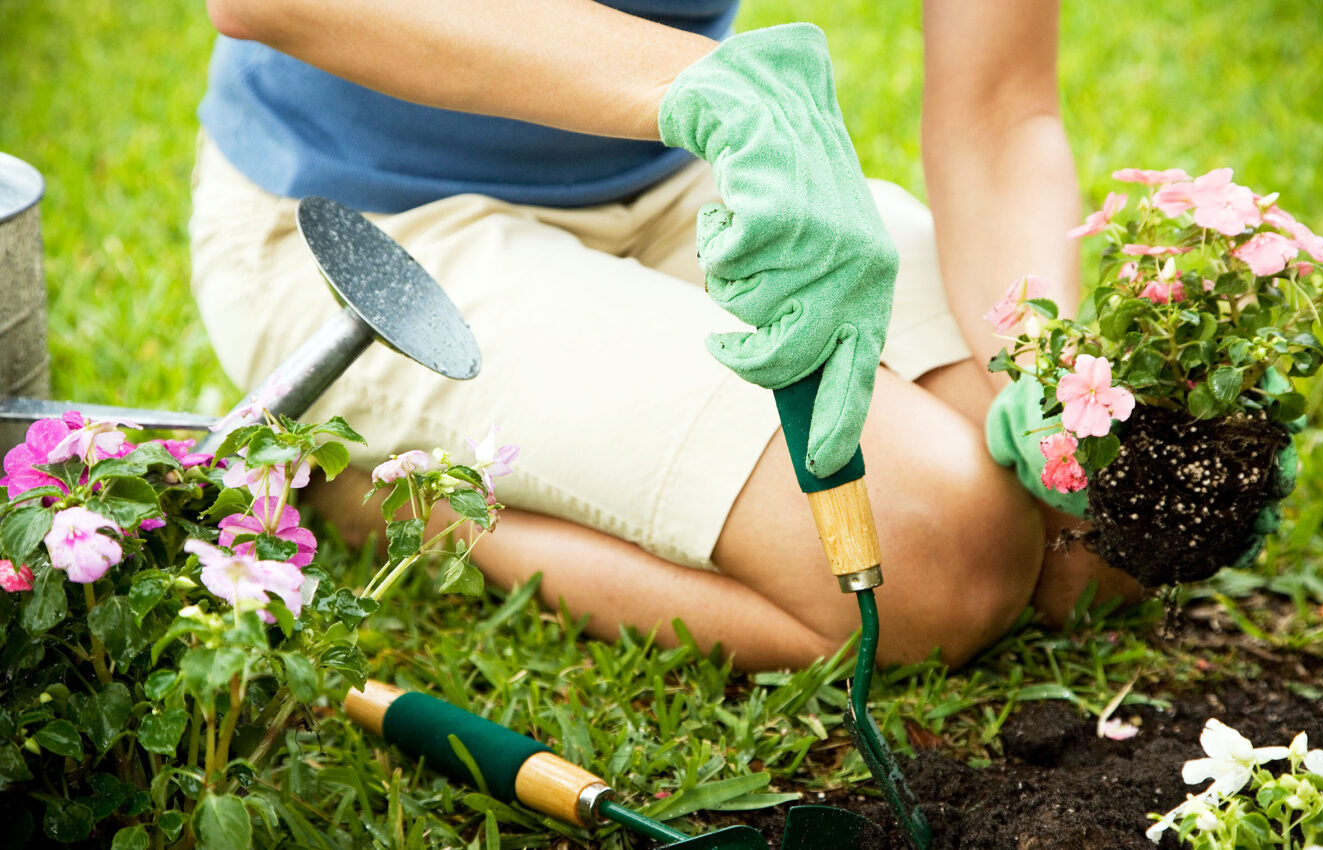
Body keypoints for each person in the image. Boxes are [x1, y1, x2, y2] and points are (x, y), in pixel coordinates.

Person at [189, 0, 1142, 672]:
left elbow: (1000, 110)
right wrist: (712, 87)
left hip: (676, 175)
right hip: (375, 233)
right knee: (936, 565)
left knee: (1092, 539)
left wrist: (1043, 368)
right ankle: (382, 498)